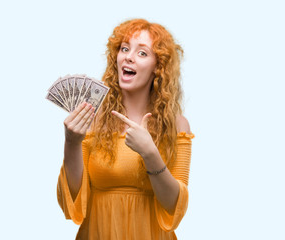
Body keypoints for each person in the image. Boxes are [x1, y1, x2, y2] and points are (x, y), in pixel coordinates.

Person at [56, 18, 194, 239]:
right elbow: (73, 203)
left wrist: (150, 154)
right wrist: (71, 142)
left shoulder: (177, 125)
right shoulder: (92, 118)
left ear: (158, 67)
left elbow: (174, 207)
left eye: (142, 53)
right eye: (125, 49)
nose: (129, 56)